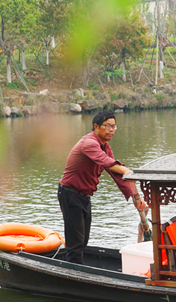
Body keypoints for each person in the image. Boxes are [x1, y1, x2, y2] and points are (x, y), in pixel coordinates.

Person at [58, 110, 146, 264]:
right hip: (70, 194)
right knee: (76, 243)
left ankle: (75, 268)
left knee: (83, 240)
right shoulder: (89, 143)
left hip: (84, 196)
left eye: (114, 126)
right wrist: (126, 170)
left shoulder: (105, 147)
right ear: (96, 126)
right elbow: (107, 163)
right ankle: (73, 274)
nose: (111, 129)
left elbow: (115, 174)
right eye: (107, 126)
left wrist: (134, 196)